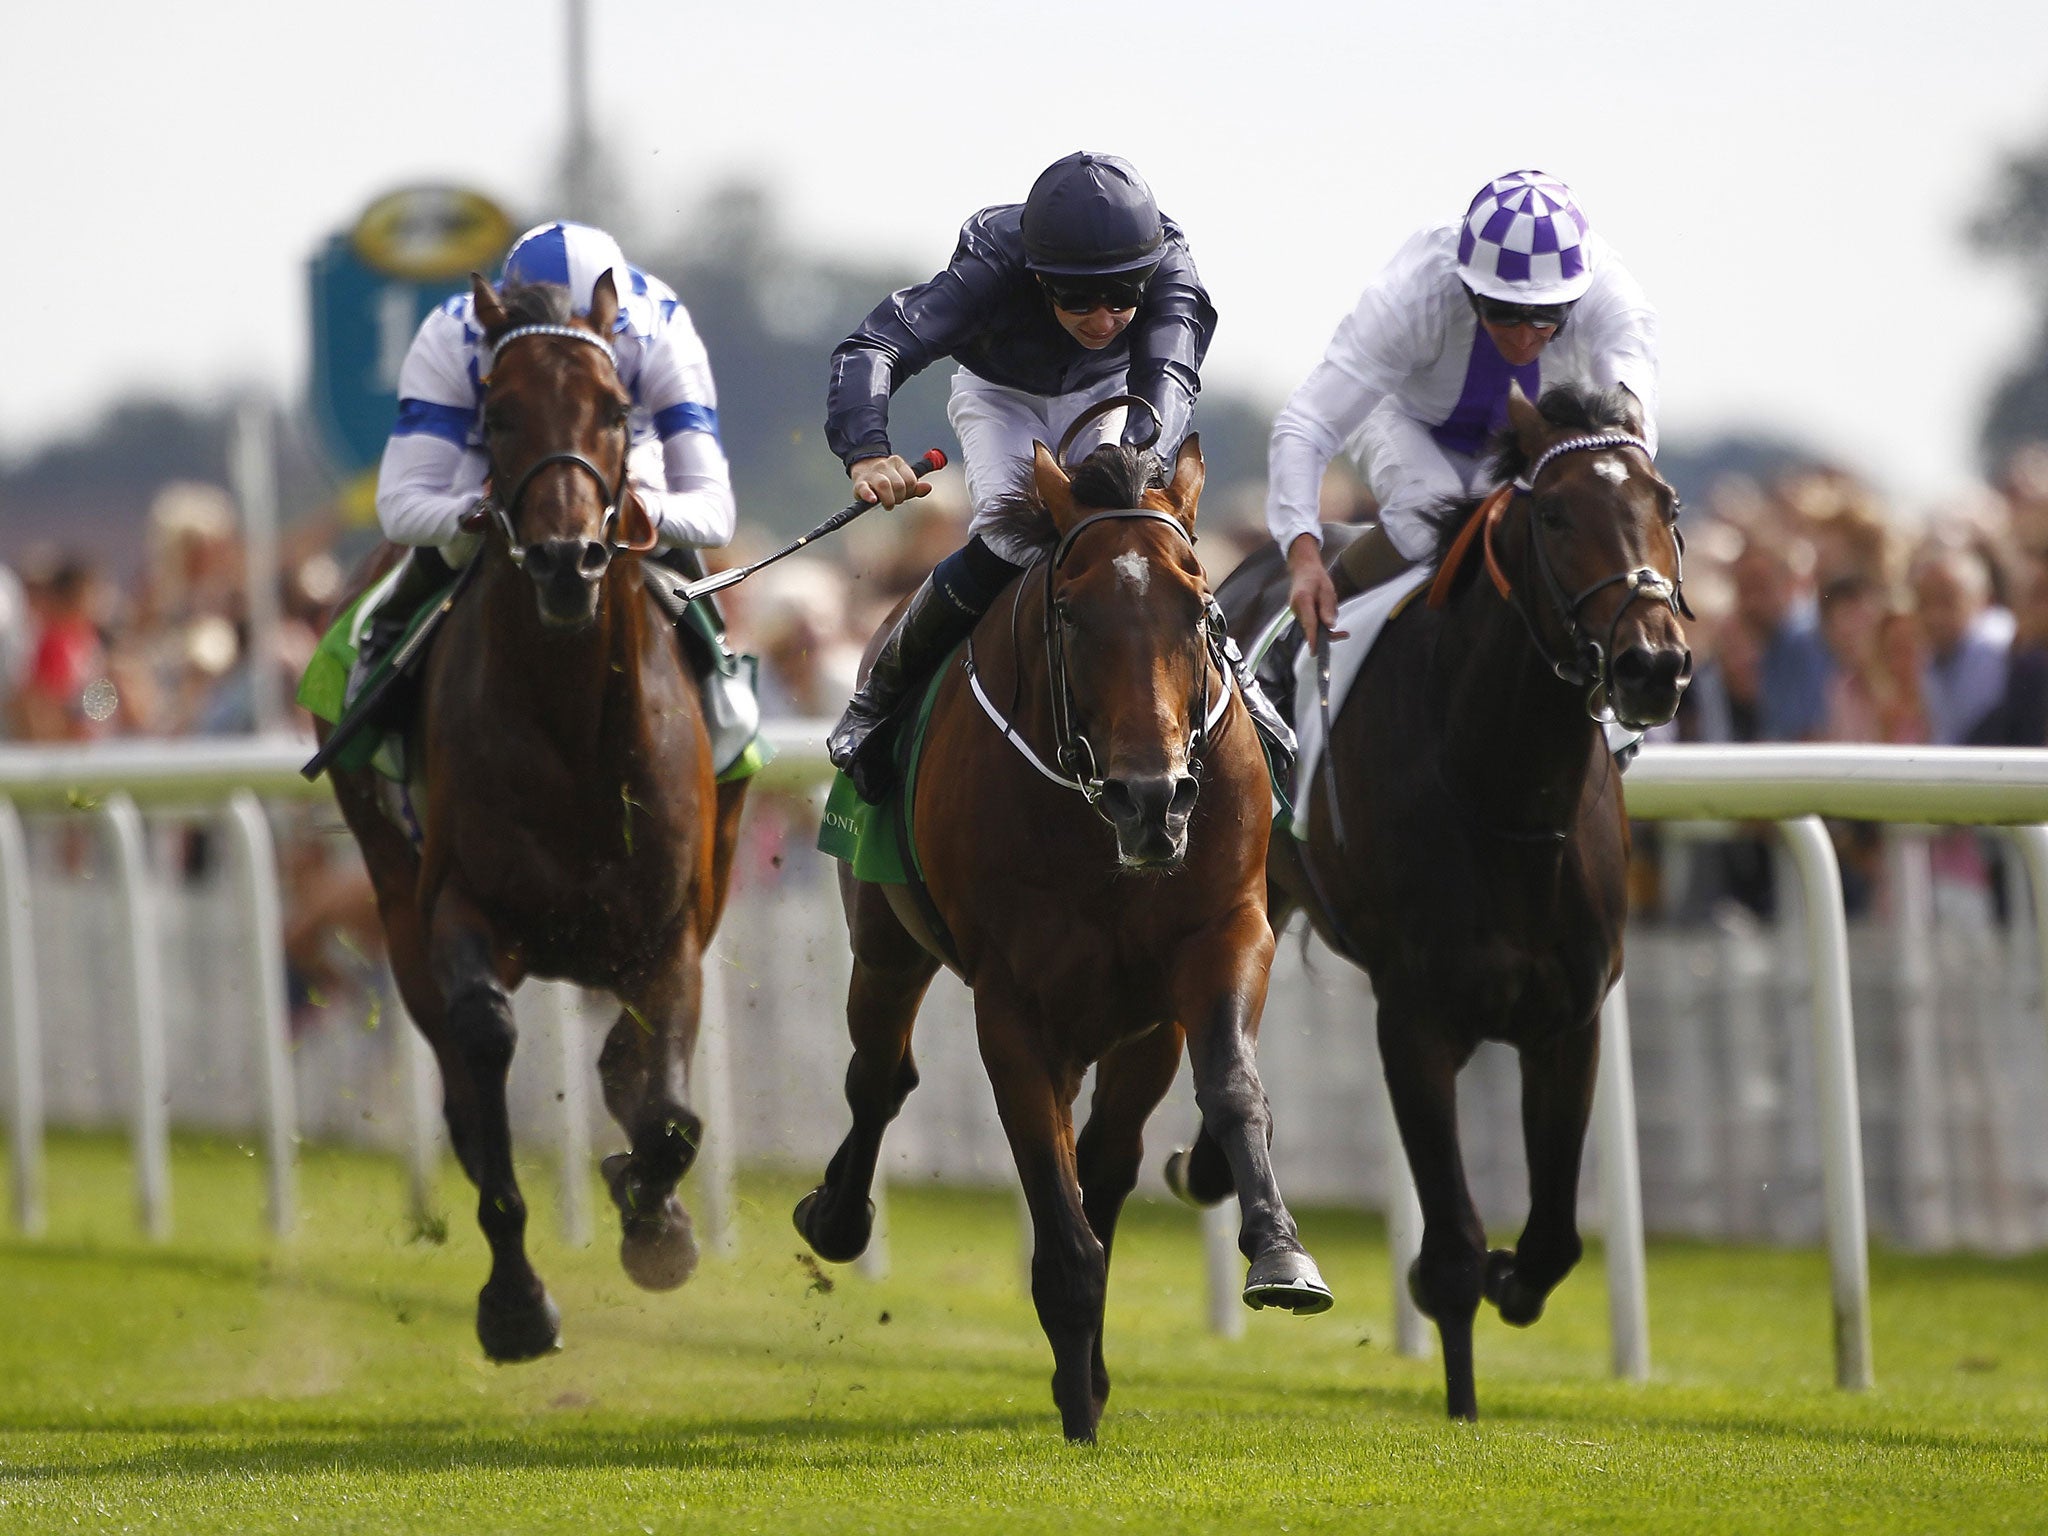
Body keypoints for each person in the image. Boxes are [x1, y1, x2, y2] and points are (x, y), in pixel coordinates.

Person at [821, 150, 1291, 802]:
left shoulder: (1171, 267)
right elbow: (874, 347)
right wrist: (867, 449)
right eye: (1077, 298)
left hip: (1115, 394)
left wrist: (1132, 466)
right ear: (1038, 278)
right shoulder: (992, 267)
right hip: (1002, 396)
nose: (1102, 319)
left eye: (1123, 298)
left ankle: (1242, 685)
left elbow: (1168, 382)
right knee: (1010, 537)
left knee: (1141, 538)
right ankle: (877, 701)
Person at [360, 220, 758, 773]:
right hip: (499, 453)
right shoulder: (452, 334)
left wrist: (643, 511)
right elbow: (402, 506)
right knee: (450, 548)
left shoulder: (662, 327)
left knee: (663, 546)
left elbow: (714, 511)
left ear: (614, 314)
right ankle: (380, 663)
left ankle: (720, 682)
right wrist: (475, 513)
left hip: (618, 449)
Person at [1267, 170, 1661, 648]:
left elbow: (1630, 434)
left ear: (1576, 296)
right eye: (1501, 311)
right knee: (1428, 517)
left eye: (1545, 315)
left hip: (1533, 443)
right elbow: (1306, 423)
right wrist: (1303, 557)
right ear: (1468, 288)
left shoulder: (1613, 298)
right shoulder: (1414, 293)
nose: (1522, 337)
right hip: (1410, 420)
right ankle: (1294, 638)